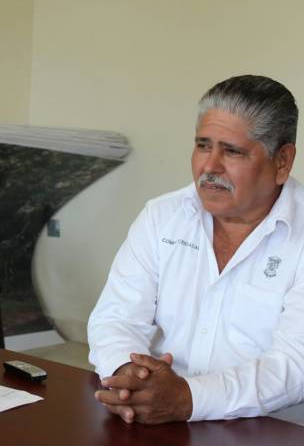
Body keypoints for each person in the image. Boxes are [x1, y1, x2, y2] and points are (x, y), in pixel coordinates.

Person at [88, 75, 304, 424]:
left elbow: (294, 364)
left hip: (271, 429)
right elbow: (116, 318)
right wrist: (130, 377)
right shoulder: (163, 216)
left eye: (232, 151)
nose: (210, 167)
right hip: (155, 418)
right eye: (203, 146)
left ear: (282, 161)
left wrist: (189, 398)